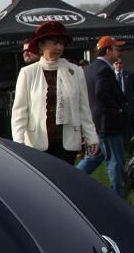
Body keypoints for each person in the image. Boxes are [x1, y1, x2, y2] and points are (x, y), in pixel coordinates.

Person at [11, 21, 98, 164]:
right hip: (37, 144)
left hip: (67, 144)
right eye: (54, 43)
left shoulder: (75, 71)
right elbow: (19, 111)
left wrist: (91, 136)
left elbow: (84, 108)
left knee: (64, 183)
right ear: (41, 45)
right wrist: (18, 142)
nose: (59, 47)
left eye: (61, 44)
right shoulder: (28, 73)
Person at [75, 36, 129, 197]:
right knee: (115, 162)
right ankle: (118, 197)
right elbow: (101, 92)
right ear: (108, 50)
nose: (119, 52)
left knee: (93, 158)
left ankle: (70, 180)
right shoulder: (103, 69)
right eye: (117, 49)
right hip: (108, 123)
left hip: (97, 123)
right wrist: (116, 108)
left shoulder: (90, 68)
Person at [112, 55, 134, 141]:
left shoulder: (130, 74)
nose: (118, 65)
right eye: (116, 63)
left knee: (130, 127)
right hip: (116, 107)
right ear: (113, 65)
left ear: (123, 64)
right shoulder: (110, 75)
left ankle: (130, 145)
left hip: (128, 106)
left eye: (120, 63)